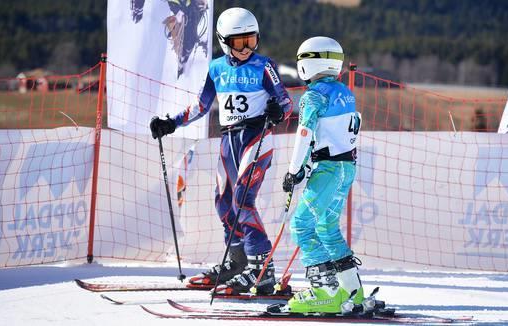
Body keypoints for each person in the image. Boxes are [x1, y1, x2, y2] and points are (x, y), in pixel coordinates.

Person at [149, 7, 292, 295]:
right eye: (239, 42)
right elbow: (202, 106)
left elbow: (286, 102)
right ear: (224, 41)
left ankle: (262, 268)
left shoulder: (264, 66)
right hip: (229, 141)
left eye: (251, 40)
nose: (246, 48)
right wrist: (171, 123)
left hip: (256, 137)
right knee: (223, 202)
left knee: (243, 200)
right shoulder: (216, 68)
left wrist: (278, 111)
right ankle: (237, 260)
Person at [282, 36, 363, 313]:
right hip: (346, 168)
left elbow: (304, 133)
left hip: (328, 169)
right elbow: (331, 134)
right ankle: (353, 291)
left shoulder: (313, 95)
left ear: (307, 64)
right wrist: (307, 164)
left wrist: (294, 170)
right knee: (328, 228)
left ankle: (325, 292)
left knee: (301, 226)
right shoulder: (345, 92)